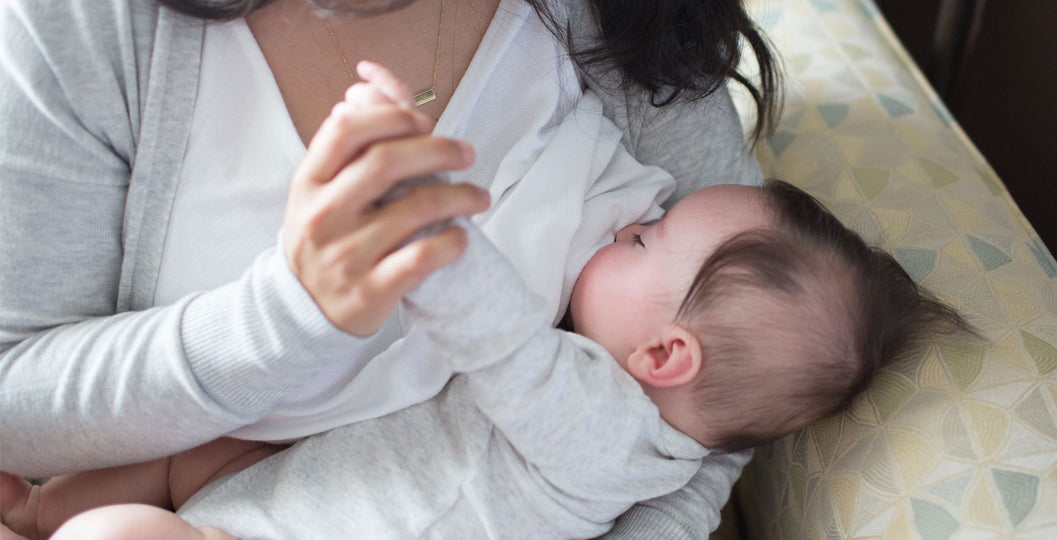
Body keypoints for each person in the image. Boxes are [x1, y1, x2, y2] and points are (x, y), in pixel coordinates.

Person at [1, 66, 970, 539]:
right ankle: (40, 513)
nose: (630, 216)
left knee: (123, 536)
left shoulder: (603, 433)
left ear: (666, 356)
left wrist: (426, 225)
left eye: (642, 239)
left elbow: (501, 338)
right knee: (190, 452)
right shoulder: (650, 427)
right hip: (282, 484)